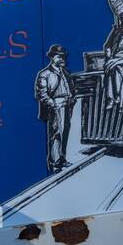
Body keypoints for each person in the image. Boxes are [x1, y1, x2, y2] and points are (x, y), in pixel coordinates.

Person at [35, 45, 75, 173]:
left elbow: (70, 88)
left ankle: (62, 158)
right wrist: (52, 103)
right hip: (55, 107)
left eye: (63, 56)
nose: (62, 59)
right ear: (52, 57)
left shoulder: (65, 72)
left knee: (65, 133)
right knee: (56, 134)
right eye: (59, 56)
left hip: (66, 105)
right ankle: (55, 163)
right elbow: (42, 94)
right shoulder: (44, 74)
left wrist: (71, 98)